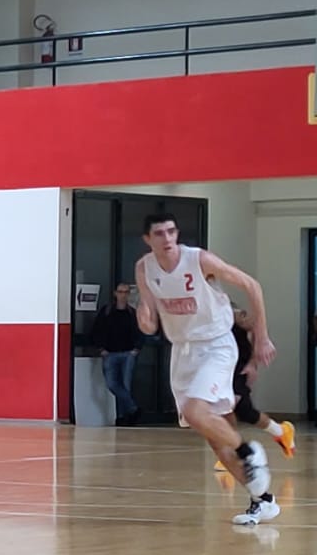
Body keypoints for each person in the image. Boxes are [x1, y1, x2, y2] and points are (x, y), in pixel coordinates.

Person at [135, 212, 275, 525]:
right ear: (147, 239)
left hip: (215, 346)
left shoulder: (199, 260)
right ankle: (263, 500)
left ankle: (249, 452)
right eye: (159, 233)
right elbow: (150, 320)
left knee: (196, 412)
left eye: (172, 231)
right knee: (217, 438)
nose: (168, 238)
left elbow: (252, 285)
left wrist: (262, 337)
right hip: (182, 353)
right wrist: (144, 321)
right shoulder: (144, 268)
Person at [212, 307, 298, 500]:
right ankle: (233, 451)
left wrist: (253, 362)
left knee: (242, 410)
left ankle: (281, 431)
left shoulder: (231, 312)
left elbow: (257, 325)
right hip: (219, 367)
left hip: (238, 368)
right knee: (227, 411)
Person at [90, 283, 142, 425]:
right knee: (112, 384)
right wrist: (101, 349)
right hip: (110, 353)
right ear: (115, 293)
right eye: (120, 292)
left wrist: (136, 349)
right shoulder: (107, 312)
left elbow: (139, 331)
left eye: (126, 292)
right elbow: (96, 330)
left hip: (128, 353)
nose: (123, 295)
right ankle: (133, 408)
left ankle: (123, 416)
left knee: (125, 385)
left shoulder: (132, 313)